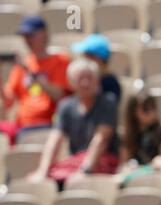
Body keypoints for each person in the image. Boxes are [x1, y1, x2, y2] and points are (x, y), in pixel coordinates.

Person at [28, 58, 119, 187]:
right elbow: (55, 139)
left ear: (97, 81)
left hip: (101, 164)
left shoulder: (108, 103)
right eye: (80, 78)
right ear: (71, 82)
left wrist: (85, 171)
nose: (85, 83)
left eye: (89, 78)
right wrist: (42, 171)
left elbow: (101, 140)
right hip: (76, 163)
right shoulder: (65, 106)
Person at [0, 16, 70, 144]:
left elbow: (60, 96)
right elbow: (9, 101)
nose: (27, 40)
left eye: (30, 35)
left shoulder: (60, 61)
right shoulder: (21, 65)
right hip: (21, 125)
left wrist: (34, 76)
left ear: (44, 34)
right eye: (24, 36)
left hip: (49, 125)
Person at [118, 91, 161, 186]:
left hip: (158, 171)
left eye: (153, 107)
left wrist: (150, 167)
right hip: (136, 172)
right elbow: (125, 161)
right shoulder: (128, 135)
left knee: (159, 161)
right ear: (134, 112)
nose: (150, 111)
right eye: (145, 108)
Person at [72, 34, 122, 102]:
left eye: (88, 56)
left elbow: (110, 107)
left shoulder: (111, 82)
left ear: (100, 60)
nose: (84, 60)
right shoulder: (80, 79)